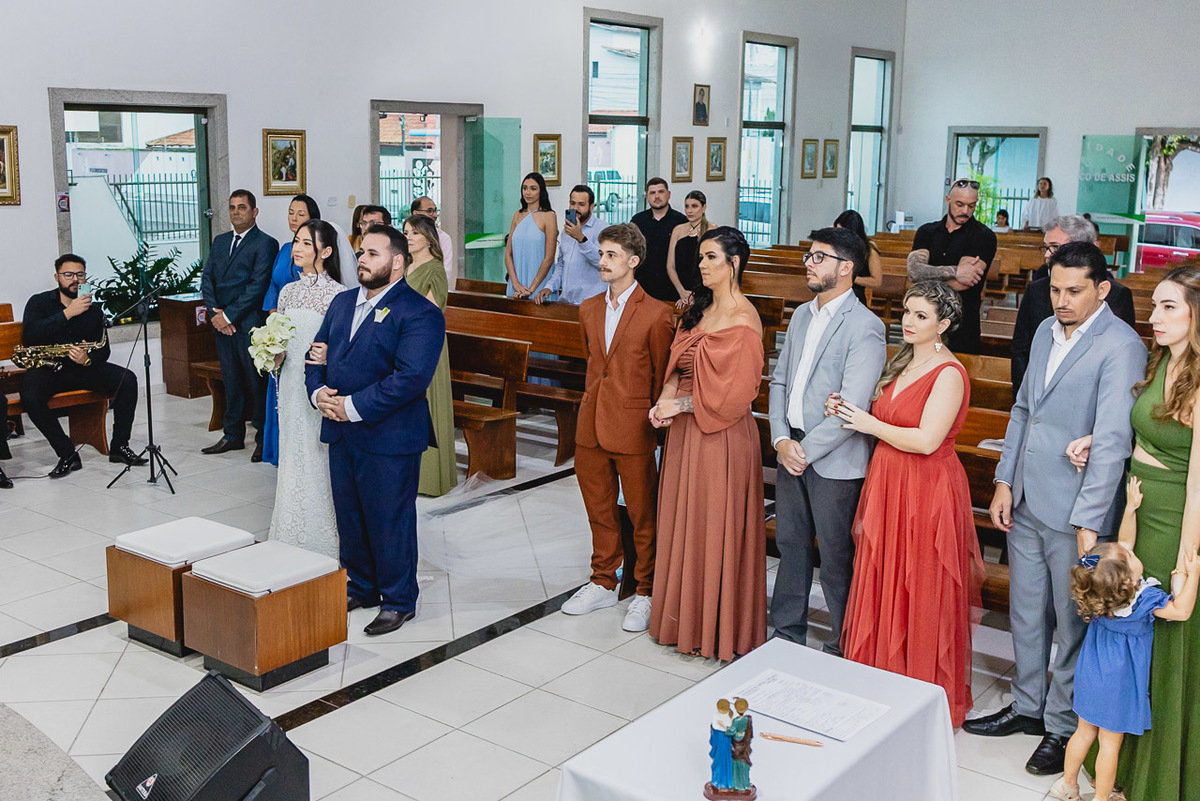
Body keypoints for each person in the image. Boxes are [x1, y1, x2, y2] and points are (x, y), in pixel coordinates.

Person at [965, 242, 1147, 777]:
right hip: (1026, 495)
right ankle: (1026, 707)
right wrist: (1004, 482)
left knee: (1071, 623)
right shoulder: (1045, 331)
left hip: (1075, 509)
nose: (1061, 301)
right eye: (1055, 289)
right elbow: (1024, 410)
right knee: (1025, 612)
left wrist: (1091, 520)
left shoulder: (1122, 345)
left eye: (1074, 291)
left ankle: (1061, 725)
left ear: (1102, 290)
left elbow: (1112, 439)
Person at [833, 281, 985, 727]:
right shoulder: (901, 363)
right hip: (888, 481)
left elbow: (926, 439)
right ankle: (878, 677)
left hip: (926, 488)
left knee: (920, 584)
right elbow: (885, 418)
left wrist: (866, 422)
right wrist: (847, 411)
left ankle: (917, 690)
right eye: (907, 311)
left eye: (921, 315)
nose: (909, 321)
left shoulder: (950, 374)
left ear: (945, 324)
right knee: (883, 575)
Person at [1078, 264, 1200, 800]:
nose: (1156, 316)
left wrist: (1186, 558)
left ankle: (1160, 770)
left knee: (1166, 634)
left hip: (1176, 519)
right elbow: (1143, 430)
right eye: (1156, 306)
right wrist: (1098, 443)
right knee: (1134, 640)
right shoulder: (1163, 362)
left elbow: (1197, 481)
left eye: (1170, 307)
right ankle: (1120, 763)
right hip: (1140, 508)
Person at [305, 224, 444, 636]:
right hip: (341, 431)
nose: (362, 259)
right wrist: (319, 396)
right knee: (349, 516)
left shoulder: (420, 312)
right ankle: (361, 585)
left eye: (373, 253)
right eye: (361, 252)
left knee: (389, 520)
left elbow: (410, 378)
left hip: (390, 435)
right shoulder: (342, 302)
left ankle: (399, 599)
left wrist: (350, 406)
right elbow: (317, 356)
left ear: (397, 263)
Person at [649, 226, 767, 661]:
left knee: (712, 525)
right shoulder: (698, 309)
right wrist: (664, 402)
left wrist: (679, 407)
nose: (701, 264)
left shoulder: (744, 320)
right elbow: (679, 366)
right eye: (700, 257)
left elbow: (737, 395)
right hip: (684, 433)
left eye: (711, 257)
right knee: (684, 522)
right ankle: (681, 619)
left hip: (721, 436)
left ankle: (716, 627)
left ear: (734, 264)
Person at [768, 227, 887, 652]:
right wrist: (782, 440)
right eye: (809, 256)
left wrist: (804, 450)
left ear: (846, 267)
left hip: (834, 460)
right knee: (791, 546)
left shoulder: (866, 327)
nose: (808, 264)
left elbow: (852, 405)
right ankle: (786, 633)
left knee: (837, 557)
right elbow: (779, 380)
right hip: (791, 449)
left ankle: (844, 643)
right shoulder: (802, 314)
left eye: (819, 257)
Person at [1049, 482, 1200, 801]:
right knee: (1109, 745)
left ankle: (1068, 784)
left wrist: (1130, 509)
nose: (1132, 549)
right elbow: (1182, 611)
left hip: (1091, 676)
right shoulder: (1142, 601)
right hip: (1117, 685)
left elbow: (1124, 543)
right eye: (1131, 557)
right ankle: (1103, 798)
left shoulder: (1101, 593)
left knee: (1083, 732)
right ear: (1130, 580)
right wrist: (1193, 572)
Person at [560, 223, 673, 632]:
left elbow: (662, 375)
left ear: (633, 260)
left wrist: (656, 424)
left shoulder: (658, 313)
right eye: (602, 253)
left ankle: (645, 589)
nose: (603, 261)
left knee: (643, 513)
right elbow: (595, 363)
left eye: (611, 255)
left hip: (633, 424)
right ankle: (603, 580)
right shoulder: (589, 308)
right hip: (591, 422)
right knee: (599, 509)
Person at [18, 254, 148, 477]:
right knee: (30, 396)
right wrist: (68, 313)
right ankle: (67, 454)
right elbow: (30, 335)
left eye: (80, 274)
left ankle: (119, 447)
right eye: (68, 274)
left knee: (128, 379)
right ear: (57, 277)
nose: (74, 279)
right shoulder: (39, 302)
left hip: (82, 369)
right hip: (49, 369)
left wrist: (87, 359)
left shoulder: (94, 310)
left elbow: (103, 349)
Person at [267, 220, 349, 559]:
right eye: (296, 241)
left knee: (318, 454)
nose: (296, 248)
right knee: (292, 452)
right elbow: (283, 342)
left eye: (305, 243)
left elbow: (344, 347)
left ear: (325, 252)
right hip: (288, 385)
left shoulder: (340, 295)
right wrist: (271, 351)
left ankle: (326, 535)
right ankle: (288, 529)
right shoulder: (287, 292)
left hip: (319, 386)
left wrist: (328, 357)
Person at [1011, 215, 1137, 392]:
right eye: (1046, 247)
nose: (1048, 254)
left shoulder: (1116, 294)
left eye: (1055, 247)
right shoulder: (1036, 289)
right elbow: (1021, 349)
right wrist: (1021, 396)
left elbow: (1114, 357)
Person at [199, 189, 280, 461]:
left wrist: (228, 316)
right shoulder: (220, 241)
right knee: (231, 379)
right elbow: (207, 278)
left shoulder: (266, 243)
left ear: (254, 212)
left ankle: (260, 437)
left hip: (249, 325)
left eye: (242, 207)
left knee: (255, 382)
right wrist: (214, 314)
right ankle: (232, 434)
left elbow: (257, 286)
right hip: (222, 325)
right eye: (232, 207)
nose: (236, 212)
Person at [260, 194, 320, 467]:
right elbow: (274, 284)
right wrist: (274, 319)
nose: (294, 219)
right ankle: (276, 450)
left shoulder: (313, 253)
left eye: (300, 214)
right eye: (291, 213)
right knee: (278, 389)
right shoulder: (285, 248)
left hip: (303, 326)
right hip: (280, 323)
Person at [907, 179, 997, 354]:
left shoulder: (983, 236)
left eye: (971, 206)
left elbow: (965, 281)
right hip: (923, 320)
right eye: (959, 204)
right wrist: (956, 271)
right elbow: (914, 272)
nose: (965, 211)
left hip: (962, 324)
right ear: (948, 199)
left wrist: (925, 282)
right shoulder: (927, 232)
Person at [401, 214, 455, 497]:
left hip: (426, 343)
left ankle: (432, 478)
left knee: (428, 406)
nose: (408, 237)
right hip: (403, 342)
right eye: (406, 232)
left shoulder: (434, 268)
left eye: (414, 233)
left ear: (428, 237)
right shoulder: (406, 265)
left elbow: (431, 311)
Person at [534, 185, 606, 305]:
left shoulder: (602, 229)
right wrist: (550, 287)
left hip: (591, 303)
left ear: (591, 207)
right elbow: (562, 265)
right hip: (567, 302)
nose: (575, 208)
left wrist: (581, 239)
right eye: (572, 203)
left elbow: (603, 262)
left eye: (581, 204)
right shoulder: (566, 232)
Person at [630, 177, 688, 303]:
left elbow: (687, 260)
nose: (657, 196)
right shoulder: (637, 221)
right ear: (647, 197)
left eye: (661, 192)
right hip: (643, 288)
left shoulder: (682, 222)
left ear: (668, 194)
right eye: (652, 193)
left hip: (672, 289)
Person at [504, 172, 557, 299]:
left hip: (539, 284)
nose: (528, 192)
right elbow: (508, 254)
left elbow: (549, 257)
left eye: (533, 189)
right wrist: (515, 284)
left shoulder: (549, 216)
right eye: (525, 188)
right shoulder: (517, 215)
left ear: (541, 191)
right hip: (516, 285)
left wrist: (532, 288)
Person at [665, 190, 713, 308]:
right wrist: (682, 292)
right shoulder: (678, 230)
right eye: (687, 206)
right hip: (678, 290)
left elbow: (712, 268)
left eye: (694, 206)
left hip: (703, 291)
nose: (689, 210)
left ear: (704, 207)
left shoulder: (712, 230)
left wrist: (695, 295)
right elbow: (670, 266)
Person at [833, 209, 883, 304]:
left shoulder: (869, 250)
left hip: (855, 297)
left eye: (843, 232)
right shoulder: (834, 246)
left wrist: (852, 278)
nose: (839, 235)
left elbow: (877, 281)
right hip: (833, 294)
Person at [410, 196, 454, 287]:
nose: (435, 215)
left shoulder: (443, 238)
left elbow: (445, 273)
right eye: (429, 211)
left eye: (435, 211)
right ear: (416, 213)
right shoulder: (405, 238)